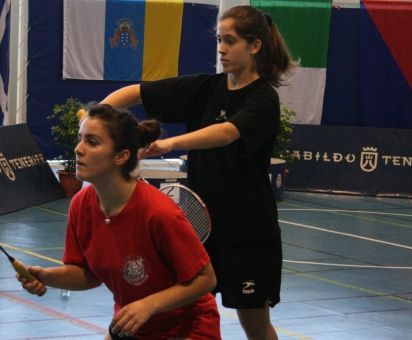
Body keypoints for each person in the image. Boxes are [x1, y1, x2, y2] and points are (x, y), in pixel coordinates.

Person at [100, 5, 296, 340]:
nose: (221, 48)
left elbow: (227, 132)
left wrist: (169, 143)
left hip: (247, 233)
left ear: (254, 46)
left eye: (230, 40)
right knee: (176, 313)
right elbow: (136, 93)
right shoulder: (205, 87)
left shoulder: (264, 98)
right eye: (220, 39)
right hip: (197, 229)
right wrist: (100, 118)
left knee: (255, 325)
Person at [18, 103, 221, 339]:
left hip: (187, 327)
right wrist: (47, 276)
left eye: (92, 142)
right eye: (80, 139)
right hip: (132, 324)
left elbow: (206, 279)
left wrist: (149, 304)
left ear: (121, 156)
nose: (78, 149)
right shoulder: (81, 206)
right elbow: (88, 274)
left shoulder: (159, 213)